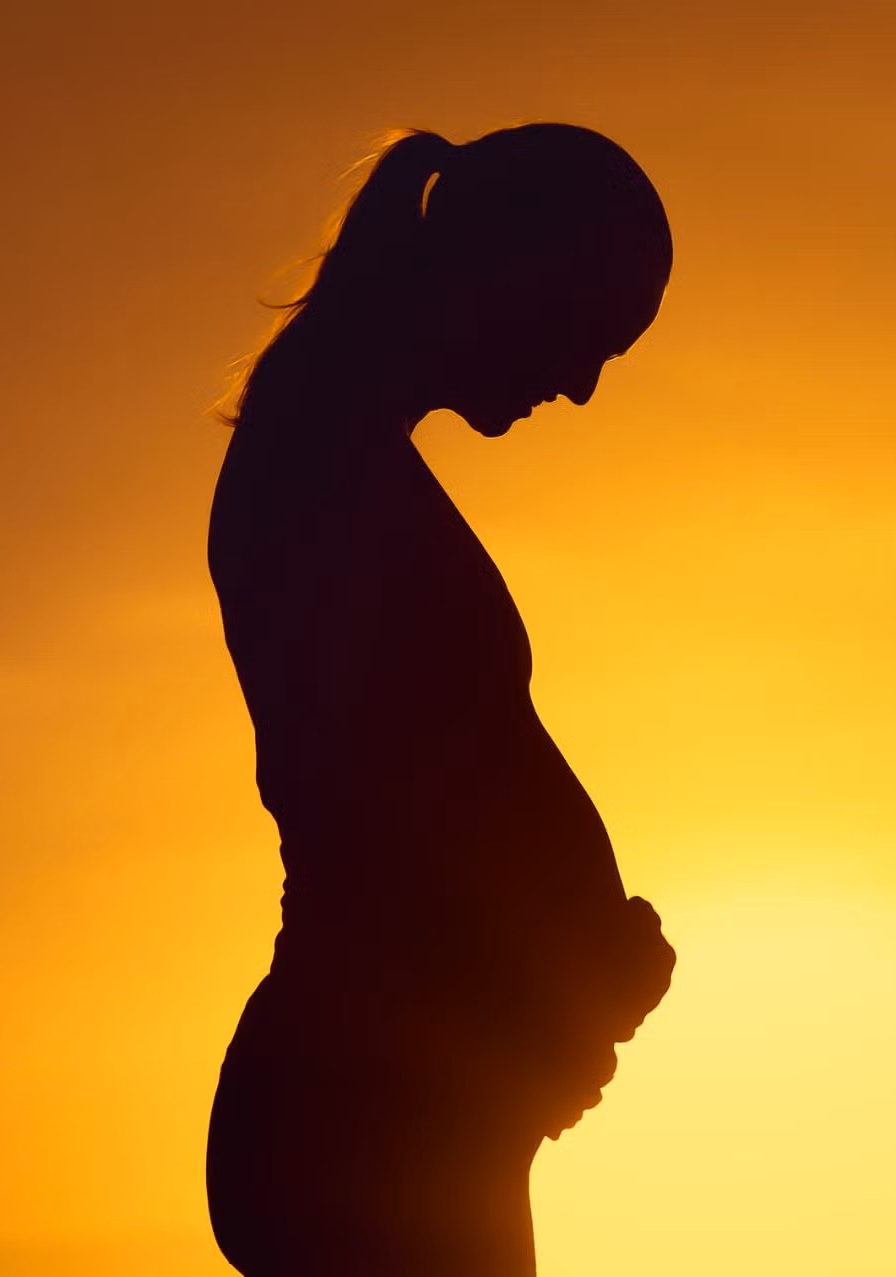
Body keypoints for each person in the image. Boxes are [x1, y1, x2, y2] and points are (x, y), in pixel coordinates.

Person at [203, 124, 677, 1276]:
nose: (579, 383)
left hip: (401, 1104)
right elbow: (387, 810)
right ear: (518, 266)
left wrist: (567, 983)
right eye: (590, 331)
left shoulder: (337, 449)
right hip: (366, 1111)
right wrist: (550, 989)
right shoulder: (321, 471)